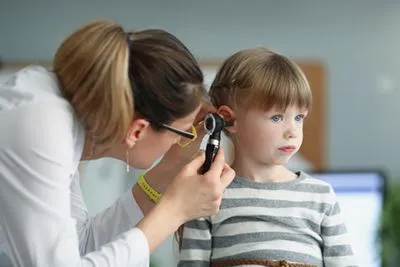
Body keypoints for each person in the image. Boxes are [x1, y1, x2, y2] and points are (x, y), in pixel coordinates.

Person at [0, 20, 235, 267]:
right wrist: (175, 211)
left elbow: (82, 246)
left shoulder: (64, 120)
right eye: (181, 133)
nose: (182, 139)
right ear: (137, 130)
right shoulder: (41, 128)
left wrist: (171, 167)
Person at [178, 48, 358, 267]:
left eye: (299, 117)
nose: (292, 130)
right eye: (276, 117)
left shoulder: (321, 196)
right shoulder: (208, 195)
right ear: (228, 119)